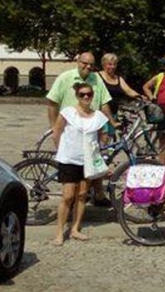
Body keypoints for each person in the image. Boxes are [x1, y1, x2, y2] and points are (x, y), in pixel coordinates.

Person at [46, 52, 114, 206]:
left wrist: (112, 122)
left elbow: (104, 103)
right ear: (78, 61)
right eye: (85, 63)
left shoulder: (96, 79)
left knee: (94, 162)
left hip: (90, 129)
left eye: (91, 64)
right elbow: (52, 103)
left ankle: (93, 196)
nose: (88, 67)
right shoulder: (65, 78)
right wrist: (54, 127)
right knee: (73, 172)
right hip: (70, 132)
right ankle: (72, 204)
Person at [51, 82, 108, 246]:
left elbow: (103, 134)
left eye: (89, 94)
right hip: (69, 159)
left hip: (87, 161)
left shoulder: (98, 116)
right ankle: (59, 232)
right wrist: (62, 150)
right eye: (82, 94)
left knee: (82, 195)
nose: (86, 97)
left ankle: (75, 228)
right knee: (68, 196)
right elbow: (57, 132)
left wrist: (100, 148)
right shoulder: (68, 113)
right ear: (77, 96)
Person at [97, 53, 141, 118]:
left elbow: (128, 90)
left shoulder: (119, 78)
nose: (113, 67)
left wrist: (140, 97)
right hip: (100, 114)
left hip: (115, 114)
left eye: (115, 64)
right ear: (103, 65)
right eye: (110, 64)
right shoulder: (97, 76)